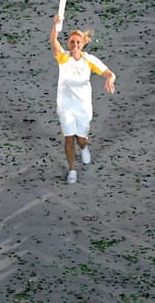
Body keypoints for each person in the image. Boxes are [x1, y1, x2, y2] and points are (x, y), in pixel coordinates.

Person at [49, 14, 115, 184]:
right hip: (66, 107)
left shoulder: (89, 60)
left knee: (81, 138)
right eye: (72, 42)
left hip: (83, 107)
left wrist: (110, 79)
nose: (75, 44)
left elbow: (109, 73)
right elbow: (54, 43)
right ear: (69, 44)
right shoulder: (63, 58)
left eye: (78, 42)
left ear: (83, 43)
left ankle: (84, 147)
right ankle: (72, 170)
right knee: (69, 138)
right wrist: (56, 27)